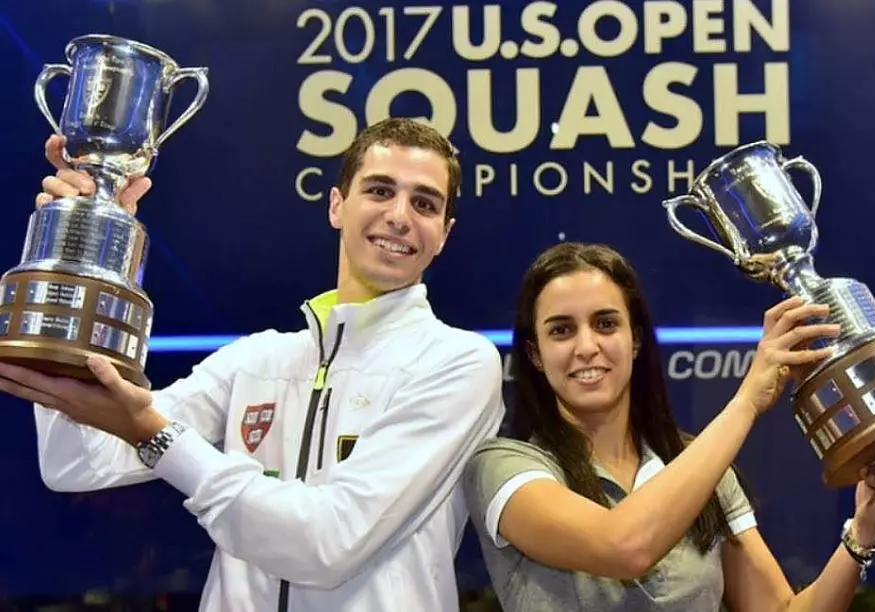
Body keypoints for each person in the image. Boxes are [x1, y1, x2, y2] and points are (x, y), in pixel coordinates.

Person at [0, 118, 506, 611]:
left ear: (444, 233)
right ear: (337, 205)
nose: (399, 216)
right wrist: (84, 247)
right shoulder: (259, 359)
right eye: (379, 191)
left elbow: (328, 545)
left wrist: (156, 434)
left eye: (424, 203)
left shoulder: (457, 363)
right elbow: (78, 463)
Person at [463, 242, 875, 611]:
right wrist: (746, 401)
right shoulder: (504, 468)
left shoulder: (699, 466)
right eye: (561, 330)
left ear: (635, 340)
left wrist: (863, 529)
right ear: (535, 355)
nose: (586, 347)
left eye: (606, 324)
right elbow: (624, 546)